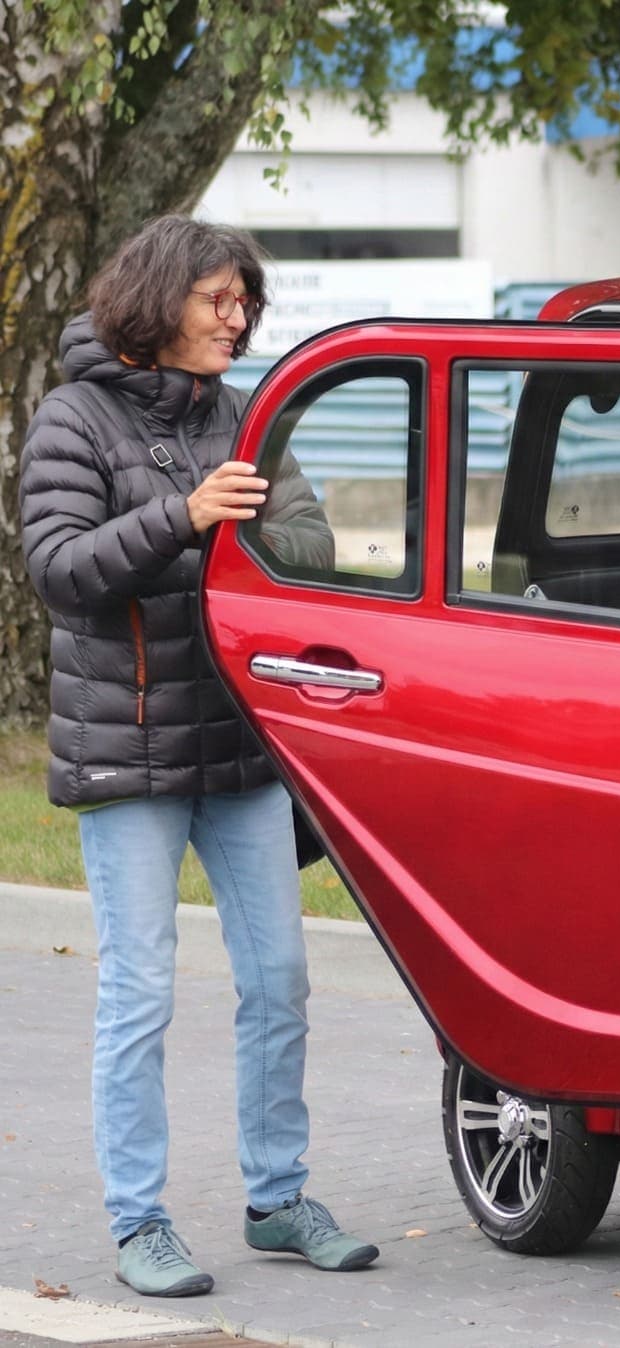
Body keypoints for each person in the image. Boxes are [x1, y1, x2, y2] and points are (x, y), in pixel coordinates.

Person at [18, 216, 375, 1297]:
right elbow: (60, 568)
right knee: (141, 989)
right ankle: (140, 1222)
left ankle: (278, 1198)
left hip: (240, 745)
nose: (237, 319)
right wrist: (182, 514)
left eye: (245, 303)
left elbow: (311, 543)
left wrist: (248, 526)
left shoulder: (247, 415)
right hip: (125, 748)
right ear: (159, 297)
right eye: (219, 299)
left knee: (279, 977)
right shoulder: (71, 418)